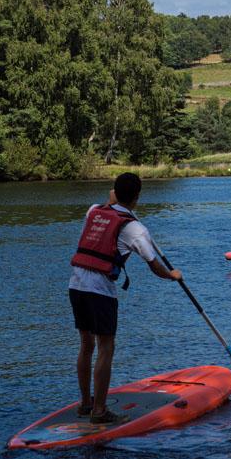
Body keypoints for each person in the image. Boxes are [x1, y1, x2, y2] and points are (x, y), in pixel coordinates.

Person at [68, 172, 182, 424]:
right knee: (105, 347)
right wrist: (172, 275)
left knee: (86, 345)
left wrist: (116, 197)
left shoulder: (93, 211)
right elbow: (154, 266)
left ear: (115, 193)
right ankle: (99, 411)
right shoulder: (136, 229)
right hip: (99, 290)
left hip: (75, 284)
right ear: (138, 197)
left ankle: (85, 404)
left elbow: (110, 202)